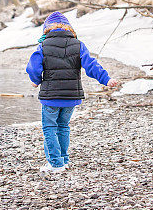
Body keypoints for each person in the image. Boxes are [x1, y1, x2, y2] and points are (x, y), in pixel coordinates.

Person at [26, 11, 118, 173]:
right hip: (71, 96)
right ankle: (64, 160)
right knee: (63, 126)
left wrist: (36, 81)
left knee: (49, 127)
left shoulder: (43, 45)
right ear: (69, 28)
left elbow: (33, 67)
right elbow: (91, 65)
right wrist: (106, 79)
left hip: (51, 96)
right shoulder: (78, 45)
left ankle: (55, 163)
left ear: (47, 29)